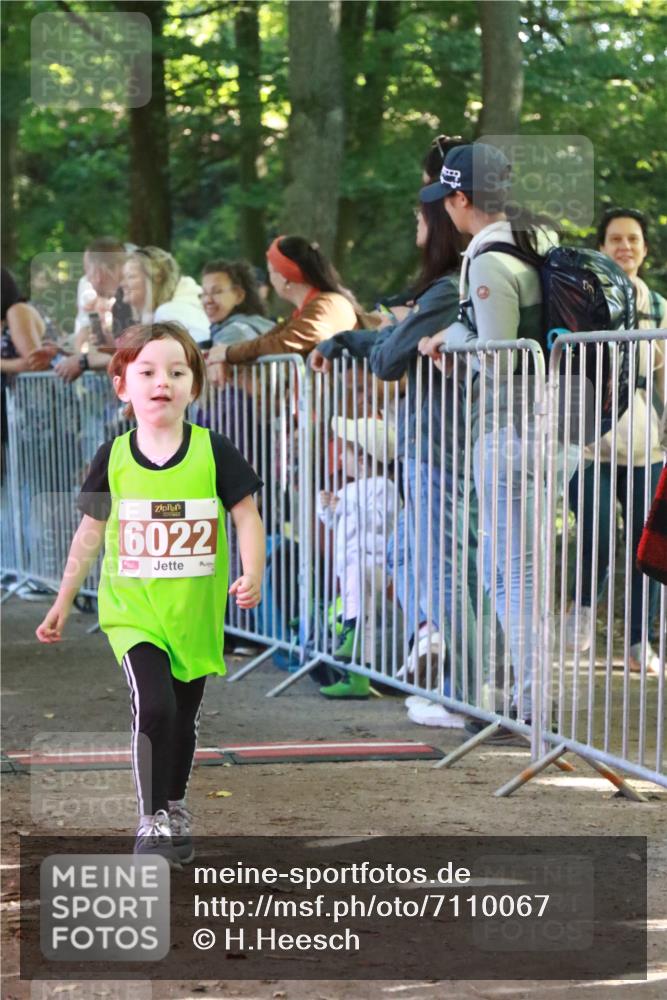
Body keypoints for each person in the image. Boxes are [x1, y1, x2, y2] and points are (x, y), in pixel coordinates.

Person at [36, 321, 265, 866]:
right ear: (123, 386)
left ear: (194, 385)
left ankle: (175, 803)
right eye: (148, 371)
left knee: (182, 719)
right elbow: (89, 533)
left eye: (177, 371)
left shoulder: (215, 451)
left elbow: (247, 516)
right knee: (155, 705)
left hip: (195, 615)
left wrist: (252, 571)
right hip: (133, 611)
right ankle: (150, 819)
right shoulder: (112, 457)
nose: (163, 381)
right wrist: (64, 598)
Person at [311, 139, 482, 729]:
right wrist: (356, 340)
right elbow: (390, 348)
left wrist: (387, 338)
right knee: (413, 551)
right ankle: (433, 644)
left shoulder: (445, 288)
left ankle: (464, 692)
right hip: (428, 442)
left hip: (442, 442)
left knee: (445, 561)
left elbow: (387, 361)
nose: (415, 218)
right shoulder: (440, 291)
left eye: (420, 211)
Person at [419, 142, 555, 737]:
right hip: (555, 425)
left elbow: (501, 357)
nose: (444, 213)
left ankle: (533, 705)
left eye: (445, 200)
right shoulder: (536, 241)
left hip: (509, 427)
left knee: (512, 576)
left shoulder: (488, 259)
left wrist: (454, 346)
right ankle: (533, 699)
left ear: (462, 198)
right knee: (527, 572)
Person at [567, 208, 666, 675]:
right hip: (590, 443)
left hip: (647, 445)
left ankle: (638, 641)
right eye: (614, 240)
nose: (624, 247)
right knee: (598, 526)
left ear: (644, 248)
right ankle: (584, 608)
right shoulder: (581, 301)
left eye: (632, 239)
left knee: (648, 545)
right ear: (601, 249)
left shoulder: (661, 309)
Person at [206, 236, 370, 384]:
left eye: (271, 272)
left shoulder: (327, 305)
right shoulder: (309, 309)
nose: (270, 280)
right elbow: (269, 338)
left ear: (284, 277)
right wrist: (219, 355)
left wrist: (228, 353)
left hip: (351, 408)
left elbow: (284, 342)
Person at [316, 417, 396, 700]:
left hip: (371, 565)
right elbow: (335, 523)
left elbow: (380, 520)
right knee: (362, 620)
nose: (339, 456)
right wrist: (325, 507)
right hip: (348, 565)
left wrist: (345, 506)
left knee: (359, 617)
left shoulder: (383, 486)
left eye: (345, 451)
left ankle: (350, 637)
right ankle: (357, 678)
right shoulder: (347, 489)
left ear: (362, 458)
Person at [28, 238, 134, 382]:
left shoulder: (128, 302)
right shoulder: (121, 303)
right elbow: (121, 355)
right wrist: (62, 353)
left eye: (87, 271)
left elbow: (133, 359)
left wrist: (82, 362)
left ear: (98, 271)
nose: (88, 280)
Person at [121, 247, 209, 345]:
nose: (122, 284)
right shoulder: (172, 309)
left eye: (131, 276)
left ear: (156, 278)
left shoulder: (169, 313)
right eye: (123, 277)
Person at [201, 259, 274, 346]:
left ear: (239, 296)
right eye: (204, 293)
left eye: (217, 291)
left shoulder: (233, 333)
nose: (208, 300)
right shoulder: (264, 325)